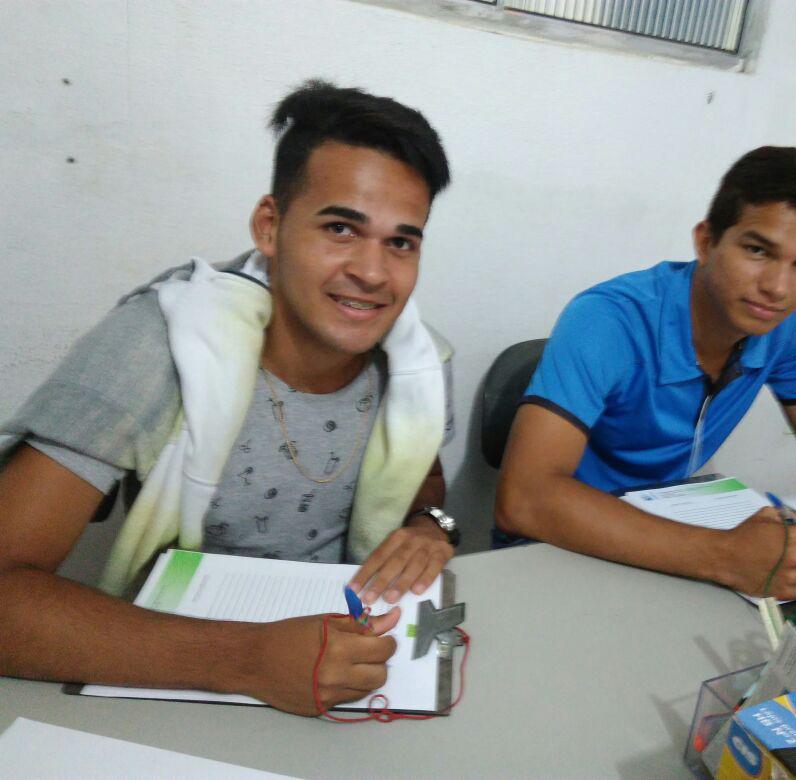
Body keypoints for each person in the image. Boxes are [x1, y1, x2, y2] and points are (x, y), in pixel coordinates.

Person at [0, 80, 460, 716]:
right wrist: (248, 661)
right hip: (174, 673)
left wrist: (428, 525)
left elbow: (424, 480)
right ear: (270, 227)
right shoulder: (162, 343)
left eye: (400, 242)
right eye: (341, 228)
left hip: (346, 665)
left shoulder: (417, 364)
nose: (374, 273)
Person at [495, 146, 796, 601]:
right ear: (705, 241)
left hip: (675, 538)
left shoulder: (790, 324)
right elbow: (525, 498)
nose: (777, 287)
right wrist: (727, 557)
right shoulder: (608, 321)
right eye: (758, 250)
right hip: (558, 548)